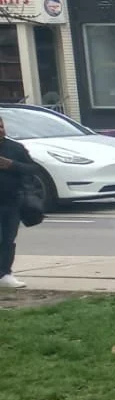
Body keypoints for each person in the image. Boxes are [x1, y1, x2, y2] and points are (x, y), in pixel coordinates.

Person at [0, 111, 29, 288]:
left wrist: (13, 165)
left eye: (1, 126)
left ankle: (5, 274)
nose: (0, 130)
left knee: (8, 239)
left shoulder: (15, 148)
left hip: (11, 202)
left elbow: (33, 169)